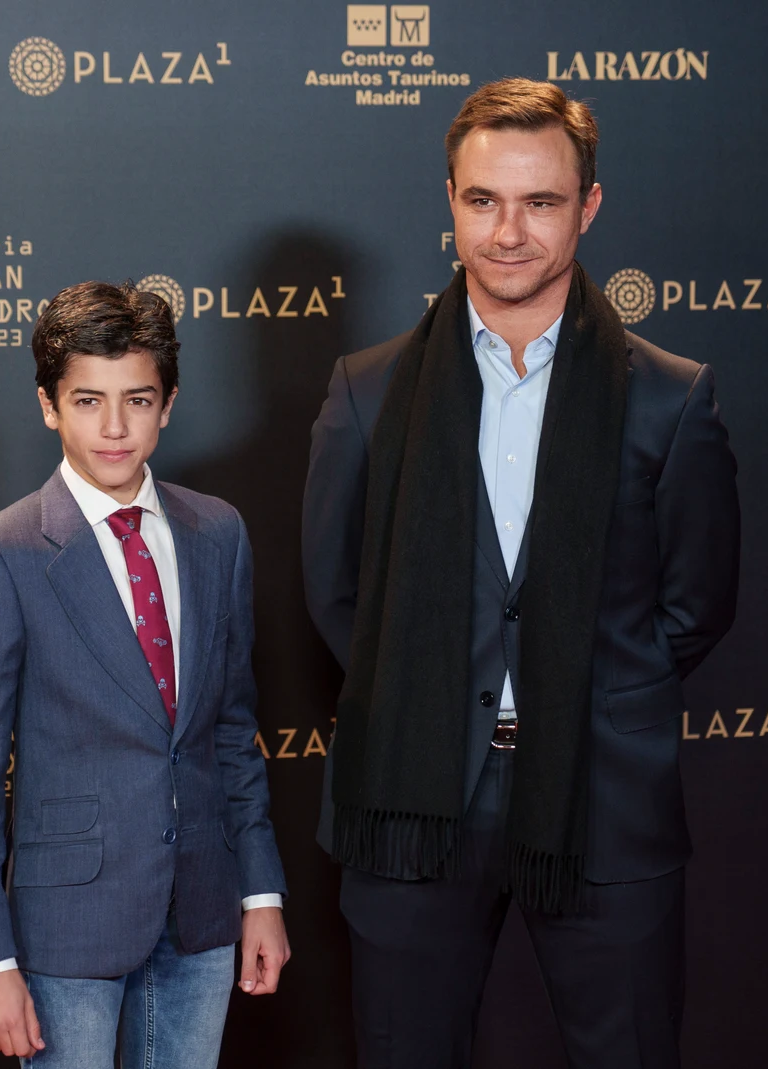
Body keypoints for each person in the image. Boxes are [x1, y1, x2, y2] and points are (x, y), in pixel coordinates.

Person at [302, 78, 740, 1068]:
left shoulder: (667, 400)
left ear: (588, 207)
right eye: (482, 200)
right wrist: (433, 690)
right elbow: (338, 596)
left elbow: (696, 604)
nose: (507, 232)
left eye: (540, 202)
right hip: (411, 801)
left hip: (602, 797)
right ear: (449, 201)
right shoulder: (366, 392)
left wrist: (579, 693)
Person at [0, 280, 290, 1067]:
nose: (116, 426)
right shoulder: (5, 552)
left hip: (202, 912)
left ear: (168, 403)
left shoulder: (217, 532)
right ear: (49, 405)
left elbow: (233, 729)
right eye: (89, 400)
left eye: (138, 399)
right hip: (67, 924)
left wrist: (259, 893)